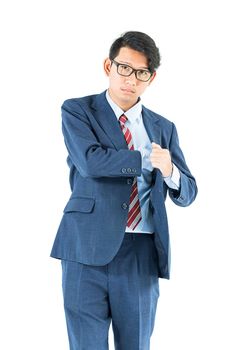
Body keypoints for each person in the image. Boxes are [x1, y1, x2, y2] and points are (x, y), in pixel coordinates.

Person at [50, 31, 197, 350]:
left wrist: (170, 170)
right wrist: (144, 157)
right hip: (84, 247)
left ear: (151, 78)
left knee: (136, 343)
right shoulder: (78, 111)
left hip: (140, 252)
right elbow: (90, 162)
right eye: (124, 68)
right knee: (85, 344)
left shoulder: (164, 128)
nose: (131, 79)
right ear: (108, 66)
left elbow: (188, 192)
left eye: (141, 73)